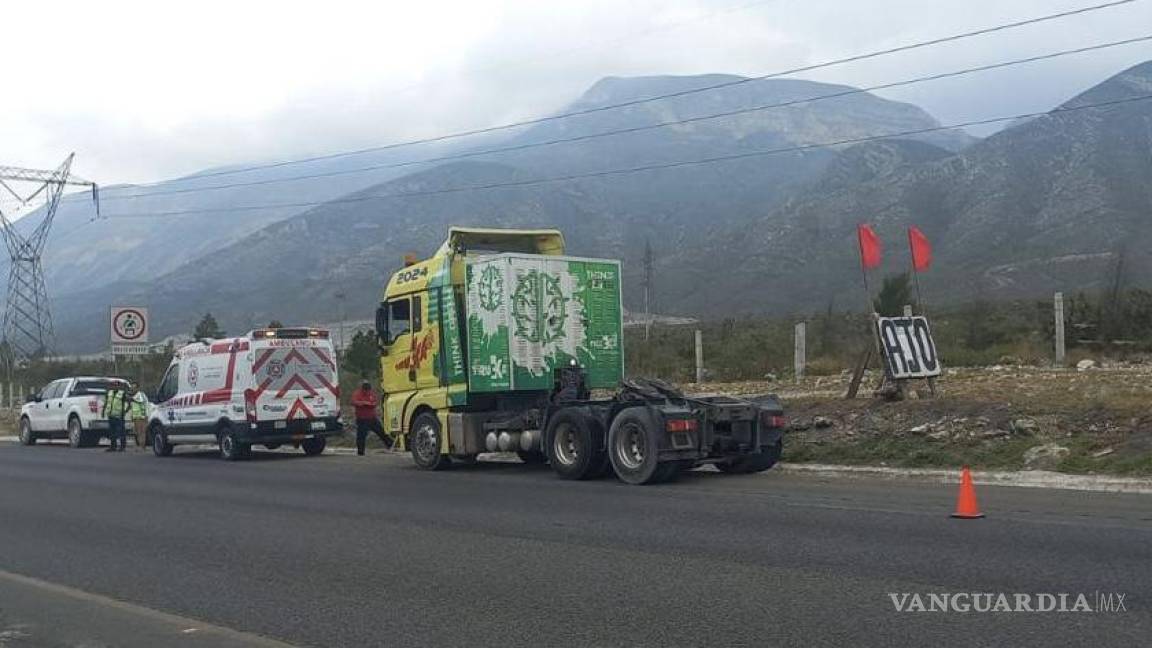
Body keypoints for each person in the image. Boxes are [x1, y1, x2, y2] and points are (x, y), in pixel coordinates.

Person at [350, 380, 391, 455]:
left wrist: (370, 404)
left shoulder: (371, 393)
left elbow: (375, 402)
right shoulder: (357, 394)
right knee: (361, 436)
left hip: (372, 418)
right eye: (365, 390)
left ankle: (390, 445)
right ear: (362, 389)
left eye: (368, 389)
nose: (366, 391)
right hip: (362, 419)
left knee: (382, 432)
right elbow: (353, 402)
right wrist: (362, 403)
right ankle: (360, 452)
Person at [103, 382, 129, 452]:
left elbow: (128, 403)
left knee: (121, 432)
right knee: (112, 432)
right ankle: (113, 446)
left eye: (116, 385)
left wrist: (125, 411)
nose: (115, 387)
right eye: (113, 385)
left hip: (119, 416)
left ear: (119, 386)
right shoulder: (109, 393)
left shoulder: (122, 393)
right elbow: (106, 402)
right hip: (111, 415)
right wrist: (103, 411)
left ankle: (122, 447)